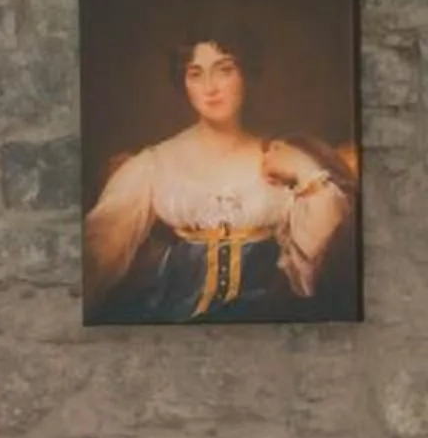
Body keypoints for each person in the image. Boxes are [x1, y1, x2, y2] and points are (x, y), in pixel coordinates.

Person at [82, 29, 355, 322]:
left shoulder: (282, 155)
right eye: (195, 74)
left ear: (246, 73)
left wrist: (304, 172)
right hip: (174, 322)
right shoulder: (155, 163)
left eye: (224, 70)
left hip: (266, 322)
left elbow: (323, 268)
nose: (210, 88)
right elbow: (97, 257)